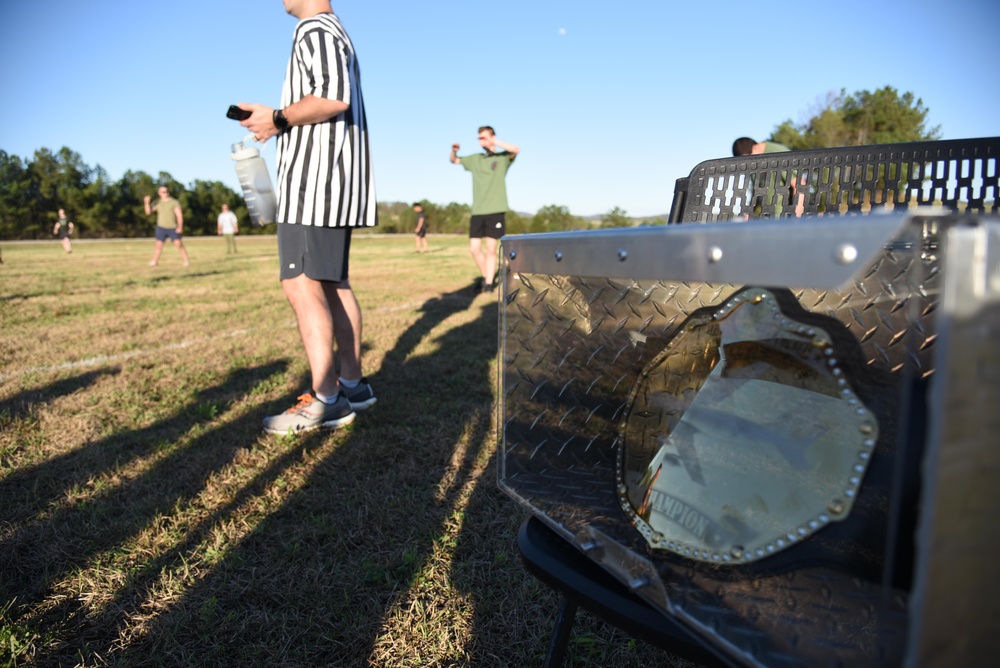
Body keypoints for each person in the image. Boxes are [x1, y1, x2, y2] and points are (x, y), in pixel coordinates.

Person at [239, 0, 377, 435]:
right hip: (334, 180)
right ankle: (352, 385)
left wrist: (277, 118)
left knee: (300, 282)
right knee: (333, 283)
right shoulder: (332, 30)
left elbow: (333, 97)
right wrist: (275, 120)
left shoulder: (314, 29)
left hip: (314, 182)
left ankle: (325, 400)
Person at [450, 126, 520, 292]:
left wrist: (493, 142)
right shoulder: (476, 159)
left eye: (483, 137)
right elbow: (454, 160)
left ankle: (488, 283)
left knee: (490, 248)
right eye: (479, 138)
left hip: (495, 209)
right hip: (478, 210)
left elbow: (516, 149)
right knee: (474, 249)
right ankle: (487, 276)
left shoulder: (502, 158)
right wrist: (454, 151)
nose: (480, 141)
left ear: (492, 137)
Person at [143, 186, 191, 267]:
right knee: (158, 245)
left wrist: (180, 226)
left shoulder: (174, 202)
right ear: (159, 193)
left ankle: (186, 260)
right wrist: (146, 203)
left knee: (178, 244)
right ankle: (154, 262)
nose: (165, 193)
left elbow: (179, 215)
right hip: (161, 227)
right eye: (162, 192)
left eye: (166, 191)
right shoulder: (157, 202)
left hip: (172, 227)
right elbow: (148, 212)